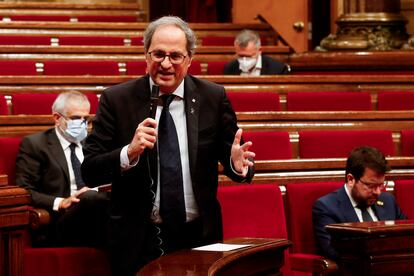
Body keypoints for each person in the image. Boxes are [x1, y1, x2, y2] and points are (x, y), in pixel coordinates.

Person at [81, 16, 255, 275]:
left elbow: (234, 157)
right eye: (158, 54)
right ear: (146, 55)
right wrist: (129, 152)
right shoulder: (117, 100)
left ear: (189, 59)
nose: (165, 64)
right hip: (138, 241)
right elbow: (90, 171)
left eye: (175, 56)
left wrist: (236, 164)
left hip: (200, 237)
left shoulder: (212, 97)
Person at [15, 91, 109, 248]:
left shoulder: (92, 144)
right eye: (75, 118)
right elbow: (23, 190)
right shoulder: (36, 145)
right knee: (90, 198)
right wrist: (60, 202)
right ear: (57, 118)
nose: (82, 123)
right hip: (60, 218)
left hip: (96, 210)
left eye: (85, 118)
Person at [312, 146, 406, 260]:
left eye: (381, 185)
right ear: (351, 179)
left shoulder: (388, 201)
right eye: (371, 185)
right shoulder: (327, 207)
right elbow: (334, 253)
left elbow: (407, 239)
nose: (377, 192)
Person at [223, 29, 290, 76]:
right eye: (240, 56)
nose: (244, 60)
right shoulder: (229, 68)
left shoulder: (278, 69)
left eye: (248, 56)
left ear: (259, 50)